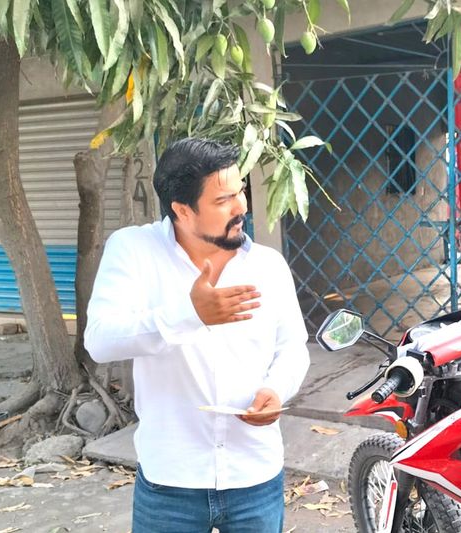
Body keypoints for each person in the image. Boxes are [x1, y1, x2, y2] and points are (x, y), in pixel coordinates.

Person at [85, 138, 310, 532]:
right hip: (171, 481)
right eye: (224, 200)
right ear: (182, 210)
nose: (242, 206)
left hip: (254, 474)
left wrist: (278, 389)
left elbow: (292, 348)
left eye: (241, 191)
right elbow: (100, 340)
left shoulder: (267, 265)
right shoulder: (134, 251)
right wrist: (189, 315)